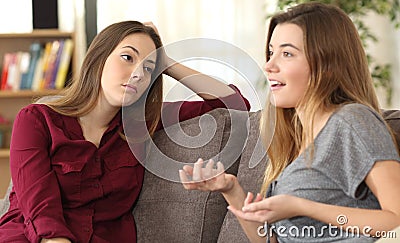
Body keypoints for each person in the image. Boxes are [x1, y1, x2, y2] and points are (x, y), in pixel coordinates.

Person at [0, 21, 250, 243]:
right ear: (99, 58)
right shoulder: (35, 120)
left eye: (149, 68)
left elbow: (234, 103)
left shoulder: (141, 125)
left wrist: (167, 62)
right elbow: (41, 212)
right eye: (128, 58)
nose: (137, 74)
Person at [180, 2, 400, 242]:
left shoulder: (352, 121)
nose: (269, 65)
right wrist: (231, 191)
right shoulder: (297, 139)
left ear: (325, 66)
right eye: (271, 52)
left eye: (287, 54)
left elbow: (395, 220)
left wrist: (302, 206)